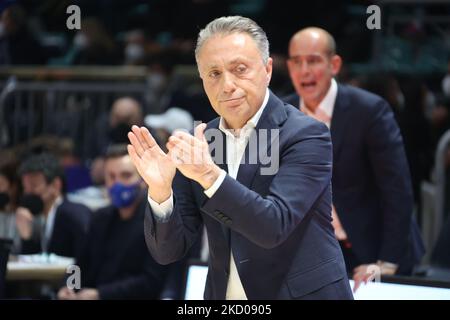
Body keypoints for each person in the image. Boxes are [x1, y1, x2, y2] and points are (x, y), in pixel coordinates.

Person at [128, 16, 353, 300]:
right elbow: (168, 251)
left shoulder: (307, 134)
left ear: (267, 69)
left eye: (240, 69)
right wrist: (161, 192)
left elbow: (274, 225)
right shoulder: (201, 140)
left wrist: (209, 175)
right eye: (214, 73)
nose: (227, 85)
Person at [284, 27, 425, 291]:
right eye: (297, 61)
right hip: (315, 255)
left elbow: (397, 190)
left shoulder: (369, 111)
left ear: (334, 64)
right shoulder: (281, 114)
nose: (304, 71)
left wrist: (387, 261)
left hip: (373, 249)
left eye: (313, 60)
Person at [57, 145, 170, 300]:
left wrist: (100, 295)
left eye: (126, 175)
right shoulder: (100, 218)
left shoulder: (159, 220)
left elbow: (152, 282)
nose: (117, 184)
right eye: (111, 176)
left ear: (143, 180)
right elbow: (80, 265)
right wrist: (69, 286)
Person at [16, 152, 91, 258]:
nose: (28, 193)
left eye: (34, 186)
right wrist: (27, 237)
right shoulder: (37, 219)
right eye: (25, 188)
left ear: (56, 185)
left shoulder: (73, 215)